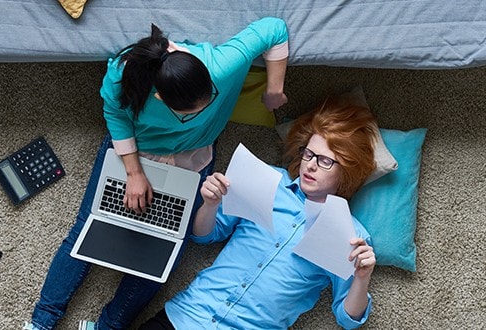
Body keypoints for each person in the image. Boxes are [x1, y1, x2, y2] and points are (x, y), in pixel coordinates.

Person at [25, 17, 290, 330]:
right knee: (91, 226)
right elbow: (115, 115)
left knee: (169, 247)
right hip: (136, 151)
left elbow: (275, 28)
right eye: (192, 111)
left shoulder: (219, 65)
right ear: (160, 98)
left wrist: (274, 88)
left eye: (209, 101)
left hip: (193, 156)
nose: (205, 109)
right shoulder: (124, 75)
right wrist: (134, 173)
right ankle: (42, 321)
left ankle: (107, 327)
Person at [139, 96, 380, 329]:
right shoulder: (268, 179)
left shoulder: (350, 233)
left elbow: (348, 318)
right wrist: (211, 204)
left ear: (347, 170)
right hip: (188, 315)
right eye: (308, 153)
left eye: (325, 160)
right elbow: (203, 236)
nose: (311, 164)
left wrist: (361, 277)